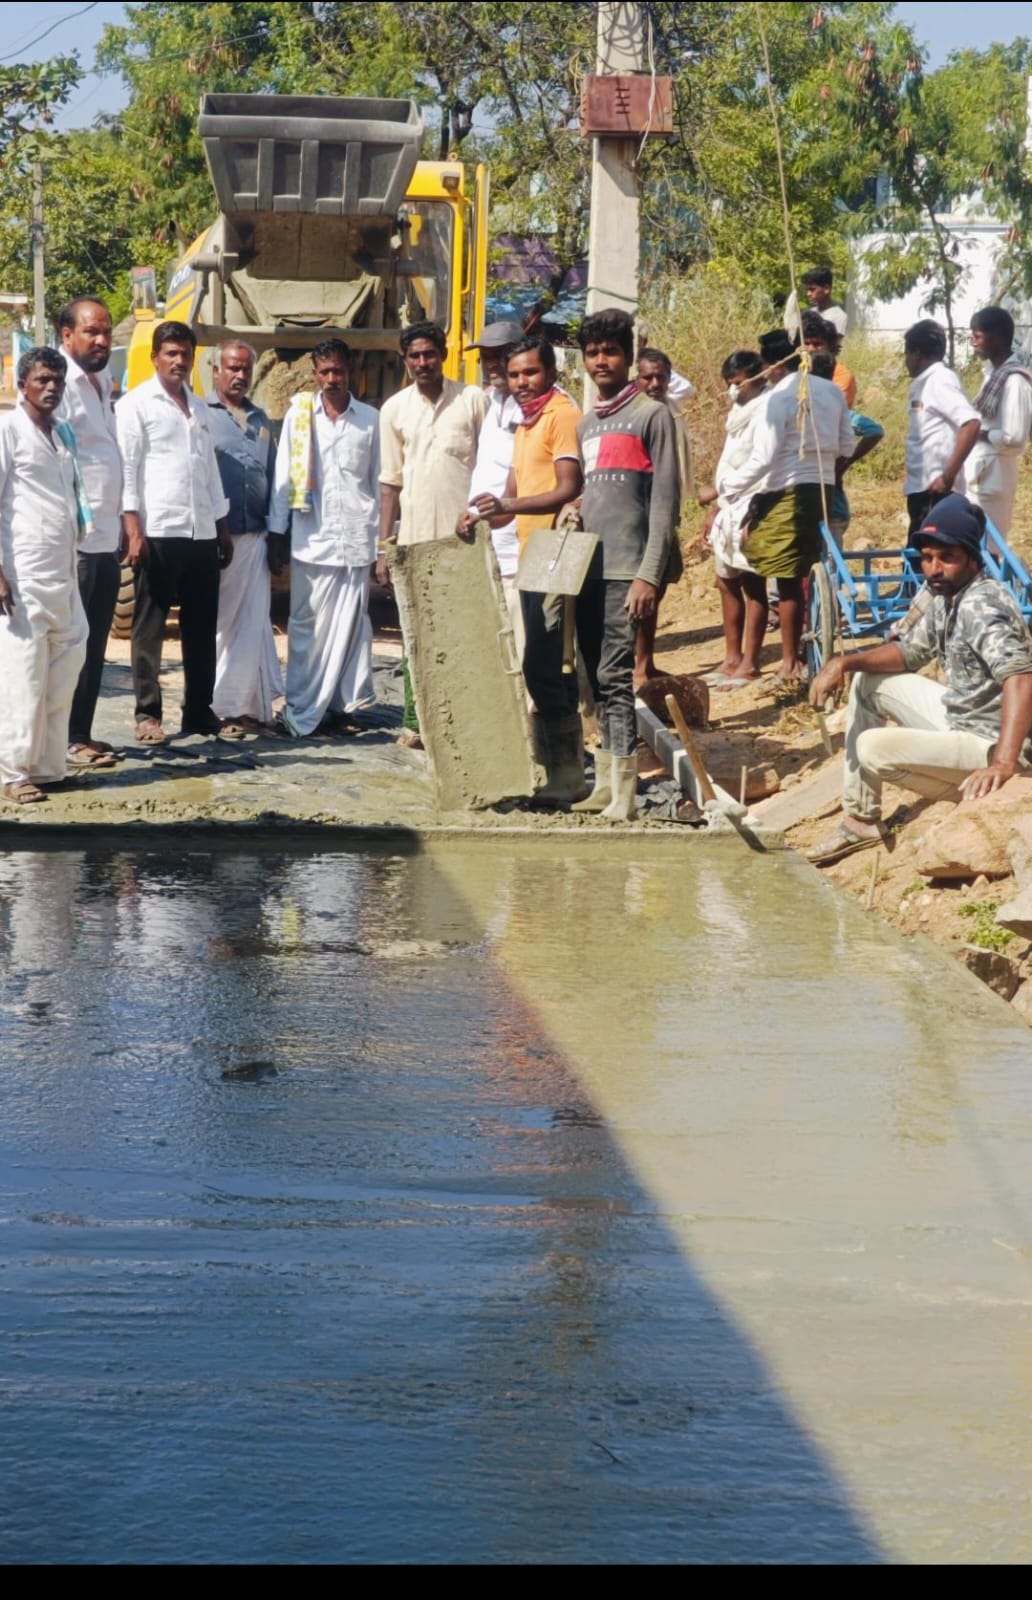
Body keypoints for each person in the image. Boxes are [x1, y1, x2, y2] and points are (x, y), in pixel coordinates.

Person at [807, 495, 1032, 866]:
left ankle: (978, 787)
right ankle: (861, 820)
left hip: (990, 742)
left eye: (947, 557)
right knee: (868, 682)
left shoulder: (981, 606)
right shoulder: (944, 594)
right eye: (927, 558)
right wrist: (844, 662)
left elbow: (1020, 678)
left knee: (872, 748)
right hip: (961, 720)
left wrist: (1003, 762)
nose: (934, 568)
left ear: (972, 558)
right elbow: (909, 653)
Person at [568, 307, 680, 821]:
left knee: (616, 677)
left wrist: (648, 573)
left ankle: (626, 794)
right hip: (589, 567)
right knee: (594, 674)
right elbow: (593, 491)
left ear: (628, 356)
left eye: (610, 351)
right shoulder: (588, 423)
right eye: (592, 353)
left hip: (625, 569)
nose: (600, 362)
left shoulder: (653, 415)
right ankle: (606, 780)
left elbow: (664, 504)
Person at [466, 336, 583, 802]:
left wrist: (507, 502)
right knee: (537, 664)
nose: (521, 383)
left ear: (551, 373)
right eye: (515, 375)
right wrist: (477, 516)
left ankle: (569, 774)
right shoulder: (523, 424)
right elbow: (508, 505)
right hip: (531, 551)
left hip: (558, 550)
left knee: (551, 661)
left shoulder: (561, 415)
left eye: (530, 373)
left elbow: (567, 486)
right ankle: (552, 769)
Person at [116, 320, 235, 744]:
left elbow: (210, 472)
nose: (179, 361)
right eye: (171, 353)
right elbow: (127, 469)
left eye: (185, 354)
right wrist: (132, 526)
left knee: (202, 628)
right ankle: (147, 714)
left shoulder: (199, 407)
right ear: (155, 357)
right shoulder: (135, 405)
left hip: (201, 530)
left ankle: (199, 711)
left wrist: (221, 527)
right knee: (149, 627)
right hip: (159, 530)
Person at [377, 320, 488, 748]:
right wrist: (384, 548)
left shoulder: (473, 401)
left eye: (430, 354)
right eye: (415, 356)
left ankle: (463, 721)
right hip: (416, 542)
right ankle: (417, 722)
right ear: (405, 361)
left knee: (466, 631)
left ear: (443, 354)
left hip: (466, 541)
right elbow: (390, 483)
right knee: (415, 635)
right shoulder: (394, 409)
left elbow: (491, 466)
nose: (423, 362)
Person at [720, 328, 854, 681]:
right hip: (821, 489)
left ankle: (789, 662)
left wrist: (727, 486)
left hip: (787, 491)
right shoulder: (832, 392)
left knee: (787, 577)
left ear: (772, 366)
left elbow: (764, 458)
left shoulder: (778, 398)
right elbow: (847, 445)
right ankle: (792, 657)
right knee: (800, 569)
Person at [268, 339, 380, 738]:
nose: (332, 378)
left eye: (339, 371)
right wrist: (277, 532)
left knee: (351, 630)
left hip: (355, 540)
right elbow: (284, 477)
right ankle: (301, 708)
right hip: (311, 540)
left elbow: (379, 483)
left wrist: (382, 544)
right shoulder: (300, 417)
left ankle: (341, 708)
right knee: (305, 629)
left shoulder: (370, 420)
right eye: (325, 372)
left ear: (350, 371)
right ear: (315, 374)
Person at [0, 348, 88, 805]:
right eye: (42, 380)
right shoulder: (8, 431)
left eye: (57, 380)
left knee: (62, 672)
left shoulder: (62, 435)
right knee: (23, 677)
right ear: (23, 384)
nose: (51, 387)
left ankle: (49, 767)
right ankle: (12, 772)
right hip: (22, 576)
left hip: (64, 570)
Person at [56, 297, 124, 771]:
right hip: (73, 544)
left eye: (106, 332)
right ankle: (58, 739)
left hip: (104, 539)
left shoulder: (100, 383)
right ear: (67, 335)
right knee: (67, 646)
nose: (101, 340)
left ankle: (79, 734)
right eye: (91, 332)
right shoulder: (57, 384)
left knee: (95, 644)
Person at [206, 341, 283, 732]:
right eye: (232, 368)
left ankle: (247, 708)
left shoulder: (261, 420)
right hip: (218, 541)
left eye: (245, 370)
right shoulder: (202, 416)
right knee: (221, 626)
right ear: (216, 371)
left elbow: (273, 478)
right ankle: (219, 706)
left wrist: (275, 536)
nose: (239, 376)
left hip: (255, 538)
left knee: (252, 625)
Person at [697, 351, 770, 686]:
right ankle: (732, 657)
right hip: (729, 505)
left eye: (738, 384)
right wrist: (716, 509)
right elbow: (729, 461)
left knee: (753, 584)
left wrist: (753, 511)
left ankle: (751, 663)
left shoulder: (767, 409)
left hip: (752, 503)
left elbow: (762, 463)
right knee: (726, 580)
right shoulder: (737, 413)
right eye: (730, 385)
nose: (733, 391)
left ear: (757, 377)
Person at [463, 319, 525, 650]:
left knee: (520, 641)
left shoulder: (534, 406)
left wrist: (499, 512)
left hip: (516, 545)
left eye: (498, 355)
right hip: (488, 538)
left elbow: (525, 478)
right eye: (485, 357)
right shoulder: (493, 403)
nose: (491, 365)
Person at [634, 347, 690, 686]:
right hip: (642, 515)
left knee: (657, 591)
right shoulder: (635, 414)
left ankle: (645, 662)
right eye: (647, 377)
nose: (655, 383)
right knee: (642, 592)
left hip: (667, 514)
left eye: (661, 377)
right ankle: (638, 668)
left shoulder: (670, 408)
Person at [903, 319, 981, 537]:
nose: (906, 361)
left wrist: (947, 477)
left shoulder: (939, 380)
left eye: (907, 354)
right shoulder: (925, 382)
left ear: (917, 353)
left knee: (924, 560)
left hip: (935, 491)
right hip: (923, 489)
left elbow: (971, 423)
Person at [965, 306, 1032, 536]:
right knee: (973, 544)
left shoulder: (1014, 381)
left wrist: (982, 434)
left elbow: (1014, 438)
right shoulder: (992, 375)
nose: (973, 342)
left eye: (978, 336)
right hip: (979, 474)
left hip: (994, 478)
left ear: (999, 337)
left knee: (988, 544)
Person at [808, 349, 884, 546]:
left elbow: (874, 431)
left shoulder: (815, 408)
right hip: (826, 506)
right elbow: (874, 430)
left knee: (827, 565)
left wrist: (846, 463)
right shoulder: (836, 408)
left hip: (828, 508)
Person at [801, 311, 857, 408]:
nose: (810, 349)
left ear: (830, 347)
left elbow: (829, 408)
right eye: (806, 343)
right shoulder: (798, 369)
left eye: (817, 344)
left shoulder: (842, 375)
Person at [784, 266, 848, 343]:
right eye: (807, 290)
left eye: (812, 289)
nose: (808, 294)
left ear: (826, 289)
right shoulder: (810, 312)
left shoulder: (838, 316)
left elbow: (833, 346)